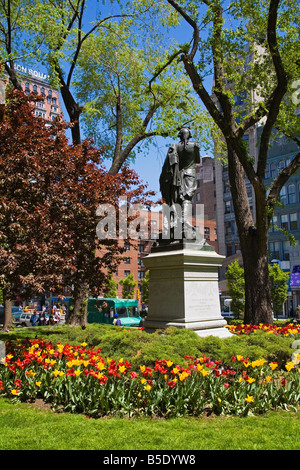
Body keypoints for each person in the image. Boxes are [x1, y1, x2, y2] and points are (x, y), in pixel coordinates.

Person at [159, 127, 200, 241]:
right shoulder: (195, 146)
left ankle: (178, 222)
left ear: (180, 135)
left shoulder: (175, 147)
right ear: (189, 135)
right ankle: (184, 221)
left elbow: (169, 164)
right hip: (190, 174)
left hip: (178, 175)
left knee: (177, 198)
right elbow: (197, 160)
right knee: (187, 198)